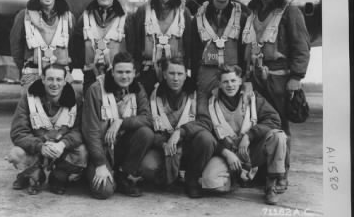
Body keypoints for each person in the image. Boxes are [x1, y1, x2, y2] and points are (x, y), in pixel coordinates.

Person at [242, 0, 311, 190]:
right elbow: (247, 47)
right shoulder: (252, 12)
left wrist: (297, 77)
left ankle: (280, 175)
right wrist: (247, 77)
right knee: (259, 125)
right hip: (256, 78)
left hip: (279, 79)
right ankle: (263, 173)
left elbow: (302, 45)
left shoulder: (290, 10)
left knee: (281, 128)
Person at [181, 65, 287, 204]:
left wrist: (250, 135)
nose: (229, 85)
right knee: (211, 181)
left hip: (250, 151)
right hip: (228, 154)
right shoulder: (211, 102)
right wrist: (225, 152)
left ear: (240, 81)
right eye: (225, 82)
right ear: (219, 83)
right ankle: (236, 177)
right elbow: (207, 131)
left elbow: (273, 119)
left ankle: (271, 184)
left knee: (278, 136)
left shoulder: (253, 98)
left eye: (233, 81)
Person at [82, 52, 154, 199]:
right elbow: (91, 131)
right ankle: (93, 171)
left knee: (145, 133)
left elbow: (147, 119)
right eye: (119, 72)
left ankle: (123, 175)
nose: (124, 76)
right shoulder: (95, 90)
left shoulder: (137, 88)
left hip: (122, 146)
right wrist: (100, 164)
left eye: (128, 72)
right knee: (104, 191)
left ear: (134, 73)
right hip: (102, 149)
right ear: (112, 71)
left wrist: (121, 122)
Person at [7, 64, 87, 195]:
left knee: (82, 152)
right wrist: (40, 146)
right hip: (37, 149)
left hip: (62, 150)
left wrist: (63, 144)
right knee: (16, 153)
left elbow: (80, 130)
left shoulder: (76, 99)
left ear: (65, 80)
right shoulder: (29, 99)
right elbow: (18, 132)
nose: (54, 84)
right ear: (43, 79)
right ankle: (35, 175)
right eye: (50, 79)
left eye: (58, 79)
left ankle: (58, 176)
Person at [126, 0, 194, 96]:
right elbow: (134, 44)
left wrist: (187, 71)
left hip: (175, 73)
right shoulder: (142, 11)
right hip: (147, 72)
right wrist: (136, 71)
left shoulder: (183, 12)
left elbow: (189, 45)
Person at [190, 0, 250, 97]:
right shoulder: (199, 17)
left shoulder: (243, 17)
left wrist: (244, 77)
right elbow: (193, 51)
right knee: (204, 110)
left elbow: (246, 50)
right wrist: (194, 79)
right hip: (206, 73)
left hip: (232, 74)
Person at [10, 0, 75, 86]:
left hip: (60, 75)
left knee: (69, 100)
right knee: (29, 102)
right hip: (32, 74)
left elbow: (74, 47)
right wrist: (25, 67)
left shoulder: (68, 18)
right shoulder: (23, 16)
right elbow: (16, 47)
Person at [140, 56, 196, 186]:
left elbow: (202, 124)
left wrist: (180, 133)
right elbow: (149, 125)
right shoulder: (154, 95)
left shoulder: (195, 95)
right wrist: (162, 144)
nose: (176, 78)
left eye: (180, 74)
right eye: (171, 73)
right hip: (164, 144)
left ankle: (190, 176)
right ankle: (169, 175)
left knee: (203, 142)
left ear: (185, 75)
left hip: (188, 144)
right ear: (164, 74)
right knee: (147, 167)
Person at [73, 0, 128, 94]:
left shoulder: (125, 18)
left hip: (118, 76)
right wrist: (86, 66)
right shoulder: (85, 18)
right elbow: (76, 47)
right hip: (90, 76)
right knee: (91, 109)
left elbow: (133, 46)